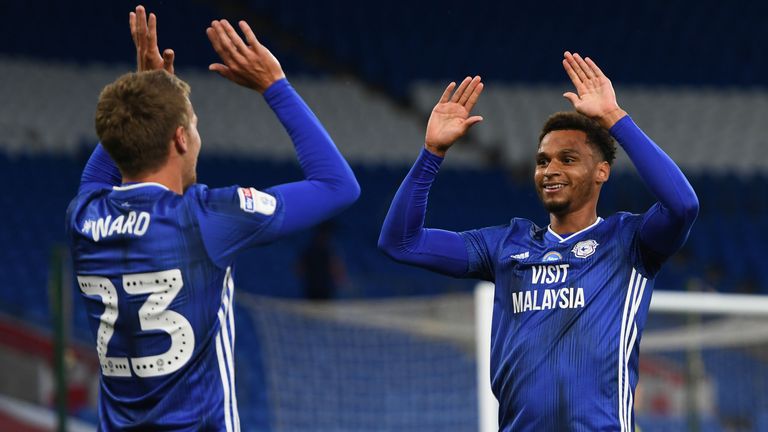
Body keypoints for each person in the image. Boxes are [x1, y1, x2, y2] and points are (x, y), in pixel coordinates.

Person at [66, 6, 359, 431]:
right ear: (181, 138)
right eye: (195, 126)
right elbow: (338, 186)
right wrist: (274, 85)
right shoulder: (204, 219)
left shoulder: (84, 216)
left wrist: (148, 93)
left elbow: (116, 148)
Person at [378, 52, 698, 431]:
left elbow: (682, 206)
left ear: (601, 171)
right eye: (543, 160)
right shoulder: (504, 246)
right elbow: (401, 242)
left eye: (567, 159)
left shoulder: (629, 242)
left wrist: (614, 119)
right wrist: (432, 154)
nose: (550, 170)